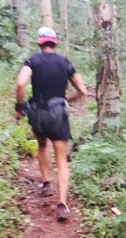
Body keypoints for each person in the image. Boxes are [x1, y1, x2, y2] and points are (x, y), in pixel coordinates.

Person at [15, 27, 87, 222]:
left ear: (40, 42)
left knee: (41, 145)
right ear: (54, 43)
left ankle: (46, 183)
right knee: (61, 159)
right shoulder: (65, 63)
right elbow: (83, 91)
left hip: (37, 112)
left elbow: (20, 84)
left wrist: (19, 105)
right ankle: (62, 204)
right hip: (58, 114)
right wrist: (69, 100)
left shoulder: (33, 60)